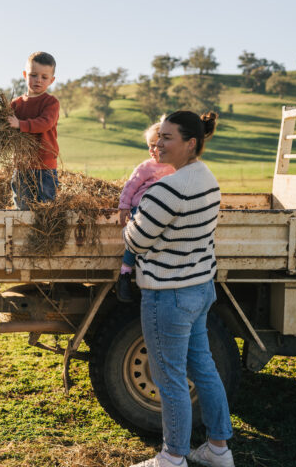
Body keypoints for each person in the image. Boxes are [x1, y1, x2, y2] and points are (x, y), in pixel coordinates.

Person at [126, 111, 234, 467]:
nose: (159, 143)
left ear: (191, 144)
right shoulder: (206, 177)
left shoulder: (166, 189)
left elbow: (137, 240)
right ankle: (218, 449)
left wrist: (130, 222)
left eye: (168, 137)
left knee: (168, 377)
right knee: (203, 368)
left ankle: (172, 457)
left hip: (168, 294)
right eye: (160, 137)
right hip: (200, 286)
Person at [116, 120, 175, 301]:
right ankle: (125, 272)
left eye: (155, 146)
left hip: (165, 212)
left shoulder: (174, 167)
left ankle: (158, 275)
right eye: (149, 146)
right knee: (135, 239)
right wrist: (124, 207)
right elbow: (130, 187)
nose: (151, 150)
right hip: (141, 210)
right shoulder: (146, 167)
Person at [7, 51, 61, 209]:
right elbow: (7, 128)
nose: (38, 80)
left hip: (44, 166)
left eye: (44, 77)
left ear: (52, 80)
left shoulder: (51, 103)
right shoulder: (15, 104)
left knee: (46, 207)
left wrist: (20, 125)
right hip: (21, 165)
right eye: (33, 75)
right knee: (22, 205)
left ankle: (44, 234)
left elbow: (45, 123)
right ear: (25, 74)